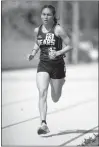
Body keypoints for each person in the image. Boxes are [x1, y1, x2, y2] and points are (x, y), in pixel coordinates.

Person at [27, 5, 72, 135]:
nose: (45, 17)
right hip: (43, 65)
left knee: (55, 97)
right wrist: (33, 53)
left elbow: (70, 45)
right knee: (42, 92)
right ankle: (43, 123)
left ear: (53, 16)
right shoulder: (38, 30)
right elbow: (38, 42)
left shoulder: (58, 30)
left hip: (57, 66)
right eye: (43, 14)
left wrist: (58, 53)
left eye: (48, 15)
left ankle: (60, 83)